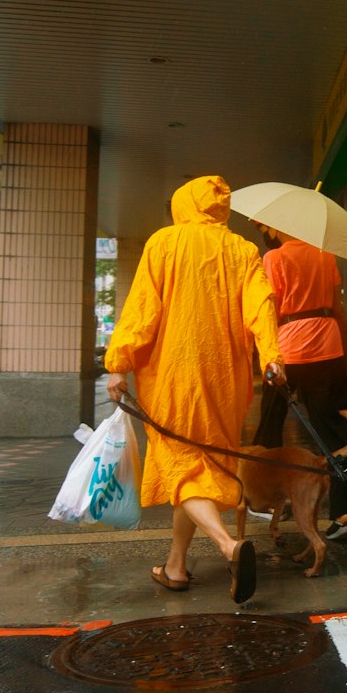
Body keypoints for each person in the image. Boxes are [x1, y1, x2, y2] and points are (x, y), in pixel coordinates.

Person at [105, 175, 285, 604]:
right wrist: (271, 356)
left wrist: (119, 364)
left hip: (172, 376)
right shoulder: (244, 250)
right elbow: (261, 305)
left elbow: (142, 308)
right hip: (226, 379)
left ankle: (228, 546)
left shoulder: (164, 242)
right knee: (199, 466)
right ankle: (175, 565)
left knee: (181, 464)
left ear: (184, 204)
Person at [258, 228, 347, 541]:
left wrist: (263, 355)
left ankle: (263, 499)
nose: (265, 230)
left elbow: (270, 310)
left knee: (269, 422)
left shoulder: (274, 258)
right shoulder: (325, 255)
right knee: (337, 429)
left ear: (280, 226)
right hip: (328, 346)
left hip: (288, 349)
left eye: (266, 226)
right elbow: (338, 310)